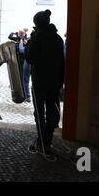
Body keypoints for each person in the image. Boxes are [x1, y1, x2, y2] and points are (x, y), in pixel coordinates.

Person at [25, 10, 65, 160]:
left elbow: (29, 58)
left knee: (39, 113)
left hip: (39, 81)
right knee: (52, 112)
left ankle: (42, 142)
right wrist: (60, 82)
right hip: (54, 82)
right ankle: (47, 141)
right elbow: (62, 62)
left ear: (37, 23)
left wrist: (31, 41)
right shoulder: (58, 39)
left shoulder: (37, 38)